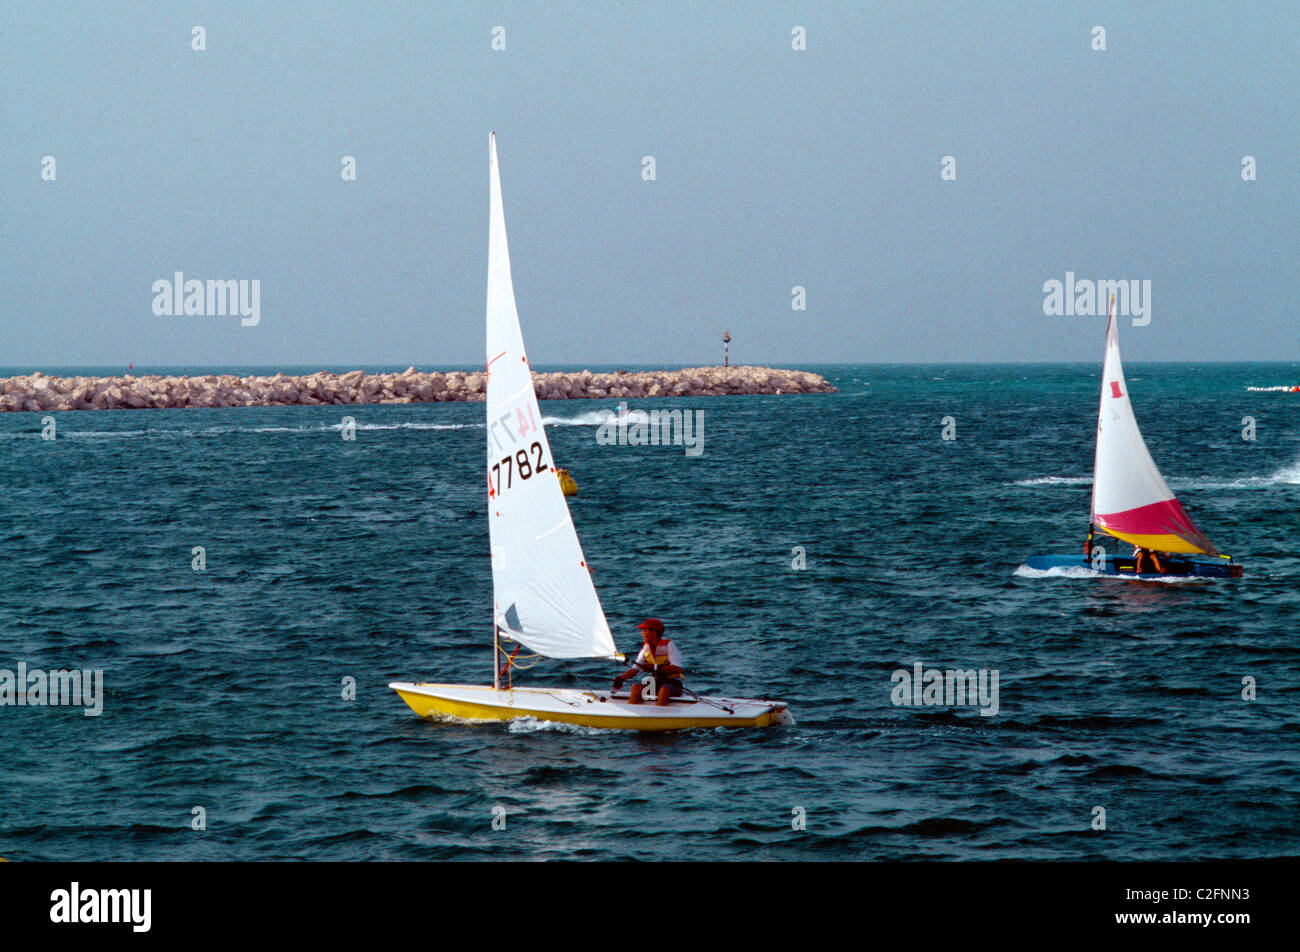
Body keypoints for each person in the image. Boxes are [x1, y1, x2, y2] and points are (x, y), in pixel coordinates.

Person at [612, 618, 684, 706]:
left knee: (664, 689)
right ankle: (631, 714)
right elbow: (635, 669)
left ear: (654, 632)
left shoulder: (669, 645)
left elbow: (678, 668)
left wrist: (656, 668)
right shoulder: (646, 648)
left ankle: (659, 715)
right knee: (636, 687)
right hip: (657, 682)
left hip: (674, 683)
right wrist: (621, 678)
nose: (642, 633)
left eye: (644, 630)